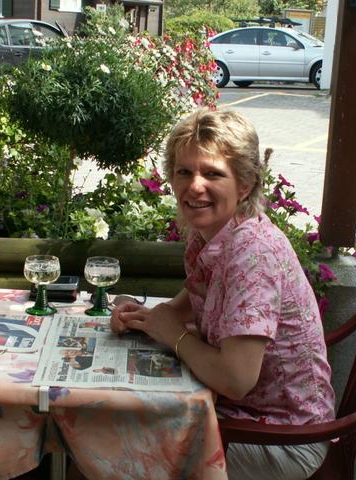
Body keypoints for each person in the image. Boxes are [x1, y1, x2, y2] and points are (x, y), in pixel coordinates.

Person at [110, 109, 335, 479]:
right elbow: (187, 304)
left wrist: (175, 335)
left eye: (213, 173)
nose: (194, 186)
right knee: (109, 429)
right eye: (184, 172)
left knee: (115, 445)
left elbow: (235, 380)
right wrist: (142, 318)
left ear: (244, 184)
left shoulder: (252, 253)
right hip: (235, 412)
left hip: (281, 437)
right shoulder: (213, 234)